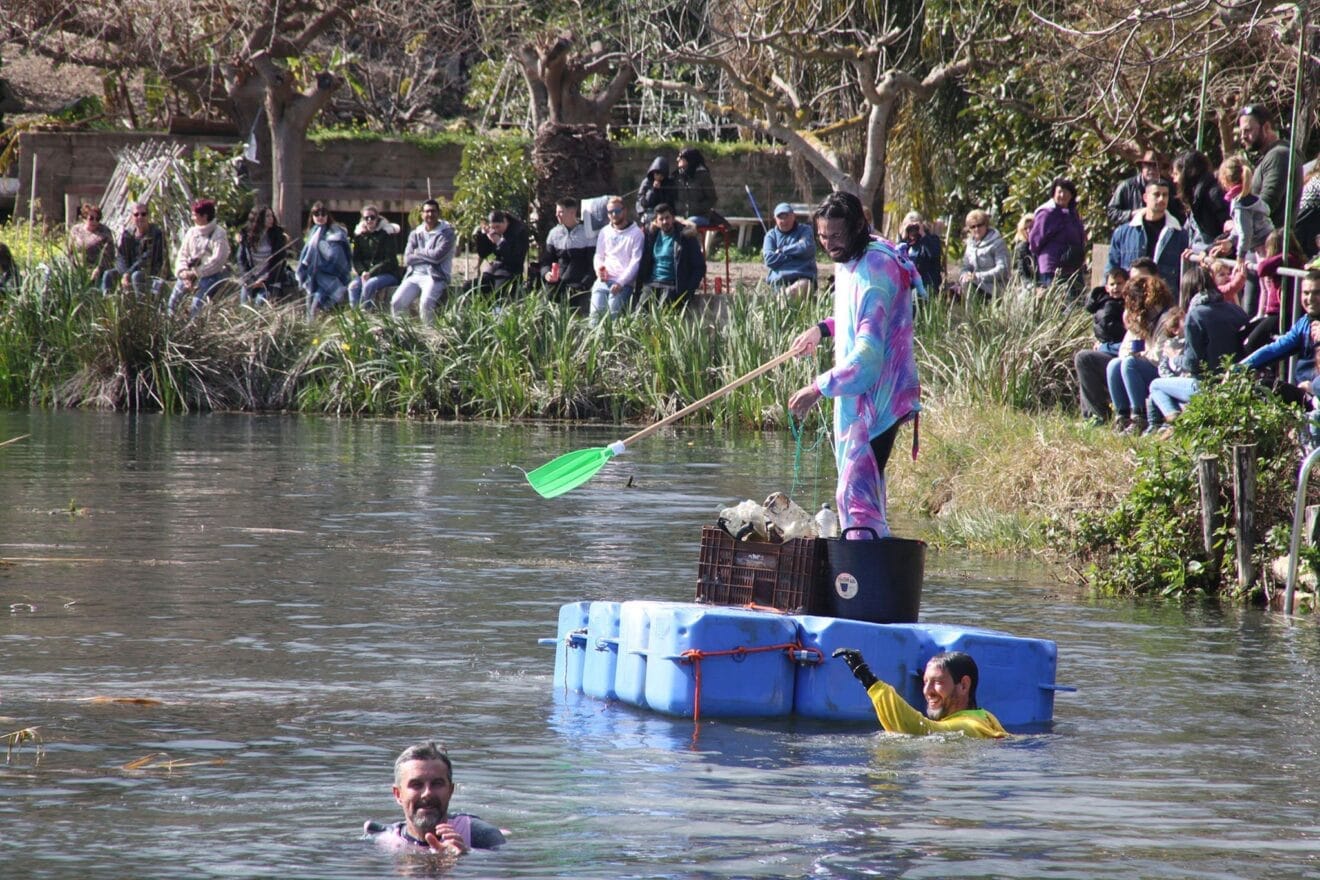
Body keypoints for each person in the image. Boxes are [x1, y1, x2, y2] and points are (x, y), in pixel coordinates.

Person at [787, 191, 921, 538]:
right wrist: (822, 329)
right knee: (856, 497)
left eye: (836, 236)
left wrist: (817, 388)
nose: (829, 244)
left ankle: (864, 583)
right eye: (822, 236)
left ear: (859, 226)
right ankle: (868, 579)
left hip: (876, 400)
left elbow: (868, 357)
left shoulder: (876, 270)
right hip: (858, 398)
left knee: (855, 498)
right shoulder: (853, 259)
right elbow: (854, 317)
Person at [1147, 266, 1247, 433]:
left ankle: (1177, 424)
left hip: (1207, 385)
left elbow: (1192, 364)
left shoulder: (1195, 316)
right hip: (1236, 382)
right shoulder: (1235, 310)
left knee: (1156, 386)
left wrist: (1174, 358)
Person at [364, 741, 506, 854]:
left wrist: (467, 855)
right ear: (398, 794)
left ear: (450, 791)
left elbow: (507, 863)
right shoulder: (382, 841)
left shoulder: (480, 835)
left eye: (437, 784)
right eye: (416, 784)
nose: (427, 793)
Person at [832, 648, 1007, 738]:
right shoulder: (986, 717)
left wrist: (867, 678)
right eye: (925, 682)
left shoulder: (969, 727)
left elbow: (917, 729)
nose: (927, 692)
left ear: (963, 685)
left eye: (937, 682)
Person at [1074, 258, 1159, 424]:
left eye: (1142, 279)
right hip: (1121, 356)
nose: (1137, 284)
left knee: (1126, 363)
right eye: (1134, 279)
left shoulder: (1159, 305)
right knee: (1084, 358)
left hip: (1148, 364)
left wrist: (1107, 346)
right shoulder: (1128, 304)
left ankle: (1139, 416)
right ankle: (1097, 417)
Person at [1106, 273, 1175, 434]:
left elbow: (1159, 357)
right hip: (1147, 364)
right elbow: (1126, 350)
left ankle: (1140, 417)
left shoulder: (1166, 318)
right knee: (1114, 364)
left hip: (1163, 372)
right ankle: (1122, 416)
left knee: (1130, 363)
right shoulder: (1144, 318)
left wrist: (1139, 356)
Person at [1105, 177, 1188, 291]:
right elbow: (1112, 268)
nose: (1161, 199)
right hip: (1131, 298)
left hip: (1165, 300)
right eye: (1156, 194)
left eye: (1165, 195)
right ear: (1145, 197)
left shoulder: (1179, 235)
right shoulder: (1123, 233)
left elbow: (1185, 274)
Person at [1237, 103, 1303, 230]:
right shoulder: (1271, 155)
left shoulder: (1279, 156)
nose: (1242, 136)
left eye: (1248, 130)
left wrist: (1238, 218)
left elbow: (1265, 205)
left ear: (1266, 127)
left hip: (1271, 243)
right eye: (1241, 132)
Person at [391, 199, 456, 323]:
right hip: (414, 275)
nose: (430, 215)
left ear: (439, 213)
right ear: (422, 214)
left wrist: (418, 253)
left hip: (435, 276)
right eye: (427, 211)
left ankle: (429, 335)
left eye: (433, 211)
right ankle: (400, 333)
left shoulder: (447, 233)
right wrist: (427, 255)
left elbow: (437, 257)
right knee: (396, 302)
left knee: (426, 304)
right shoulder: (415, 233)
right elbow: (408, 258)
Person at [167, 198, 231, 317]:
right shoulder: (191, 232)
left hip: (210, 275)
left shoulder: (219, 233)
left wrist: (196, 273)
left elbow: (217, 261)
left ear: (204, 216)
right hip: (189, 273)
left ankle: (192, 329)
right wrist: (183, 272)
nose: (192, 218)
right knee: (173, 301)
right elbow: (183, 254)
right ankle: (169, 325)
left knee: (197, 303)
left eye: (194, 215)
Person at [589, 196, 644, 324]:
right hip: (603, 281)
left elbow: (635, 262)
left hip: (622, 284)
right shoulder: (604, 231)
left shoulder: (636, 233)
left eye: (617, 211)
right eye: (610, 212)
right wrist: (599, 270)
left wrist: (620, 282)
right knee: (594, 321)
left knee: (612, 322)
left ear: (624, 211)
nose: (614, 214)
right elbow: (598, 255)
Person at [637, 203, 706, 306]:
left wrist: (688, 292)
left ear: (673, 218)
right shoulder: (651, 237)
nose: (665, 222)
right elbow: (643, 263)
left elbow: (699, 267)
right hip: (652, 283)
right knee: (639, 316)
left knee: (664, 317)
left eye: (667, 218)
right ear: (656, 221)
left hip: (672, 286)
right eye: (661, 219)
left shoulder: (686, 238)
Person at [1028, 177, 1086, 298]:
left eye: (1066, 192)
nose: (1062, 195)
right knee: (1057, 302)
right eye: (1059, 191)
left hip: (1073, 265)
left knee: (1076, 302)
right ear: (1053, 193)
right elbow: (1035, 240)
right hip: (1053, 266)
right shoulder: (1046, 213)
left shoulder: (1073, 214)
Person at [540, 197, 597, 312]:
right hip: (556, 283)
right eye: (556, 212)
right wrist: (547, 274)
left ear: (572, 212)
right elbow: (546, 260)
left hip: (580, 285)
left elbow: (593, 264)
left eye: (560, 212)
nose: (557, 215)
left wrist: (584, 284)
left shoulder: (587, 233)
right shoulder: (554, 233)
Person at [297, 201, 352, 318]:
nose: (320, 217)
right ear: (312, 216)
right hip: (314, 277)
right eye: (316, 214)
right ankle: (312, 332)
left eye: (323, 214)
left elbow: (338, 259)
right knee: (311, 301)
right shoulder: (313, 233)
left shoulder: (336, 233)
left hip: (332, 277)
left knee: (317, 302)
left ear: (328, 215)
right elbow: (306, 258)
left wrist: (321, 269)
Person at [1105, 149, 1184, 229]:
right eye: (1148, 166)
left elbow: (1179, 214)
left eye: (1155, 167)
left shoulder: (1168, 187)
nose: (1152, 170)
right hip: (1133, 233)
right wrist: (1132, 214)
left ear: (1160, 169)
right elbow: (1111, 212)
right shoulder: (1127, 186)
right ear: (1142, 167)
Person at [104, 201, 168, 296]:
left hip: (150, 272)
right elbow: (121, 257)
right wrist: (124, 273)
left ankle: (141, 308)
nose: (140, 217)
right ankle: (107, 304)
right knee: (108, 274)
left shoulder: (156, 234)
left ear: (148, 216)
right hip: (129, 271)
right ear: (132, 217)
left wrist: (128, 274)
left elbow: (146, 258)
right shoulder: (128, 234)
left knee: (136, 275)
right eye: (136, 214)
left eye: (143, 214)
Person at [1174, 150, 1228, 256]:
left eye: (1176, 174)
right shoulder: (1197, 197)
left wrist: (1207, 251)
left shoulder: (1213, 194)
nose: (1175, 180)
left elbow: (1227, 229)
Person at [236, 206, 291, 307]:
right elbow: (241, 260)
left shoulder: (277, 235)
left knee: (260, 302)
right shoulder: (246, 236)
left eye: (271, 216)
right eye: (267, 216)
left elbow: (280, 261)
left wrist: (264, 279)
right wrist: (250, 280)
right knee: (245, 305)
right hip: (252, 280)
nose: (271, 219)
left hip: (271, 280)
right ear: (258, 219)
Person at [347, 205, 400, 309]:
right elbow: (356, 259)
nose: (370, 220)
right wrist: (362, 272)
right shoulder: (360, 236)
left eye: (372, 217)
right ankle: (356, 316)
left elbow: (389, 260)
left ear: (377, 218)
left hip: (387, 274)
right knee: (353, 286)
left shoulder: (386, 234)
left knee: (370, 284)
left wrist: (371, 273)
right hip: (365, 274)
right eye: (366, 218)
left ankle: (365, 314)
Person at [762, 202, 817, 295]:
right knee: (781, 296)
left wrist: (782, 251)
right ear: (775, 219)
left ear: (793, 216)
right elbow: (769, 260)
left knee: (789, 294)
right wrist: (796, 255)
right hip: (778, 282)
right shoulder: (771, 236)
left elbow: (807, 248)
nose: (784, 220)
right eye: (780, 217)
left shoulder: (805, 230)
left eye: (786, 216)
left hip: (803, 279)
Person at [474, 210, 529, 296]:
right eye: (493, 227)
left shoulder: (518, 232)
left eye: (498, 227)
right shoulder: (494, 232)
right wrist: (483, 236)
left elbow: (514, 258)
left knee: (497, 291)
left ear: (505, 222)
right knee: (471, 286)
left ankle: (497, 309)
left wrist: (500, 242)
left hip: (510, 271)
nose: (496, 230)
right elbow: (486, 255)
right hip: (493, 269)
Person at [957, 209, 1010, 299]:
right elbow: (965, 267)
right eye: (973, 226)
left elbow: (1003, 269)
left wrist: (977, 276)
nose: (976, 229)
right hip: (975, 285)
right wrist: (965, 275)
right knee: (965, 284)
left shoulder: (997, 243)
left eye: (980, 225)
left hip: (995, 288)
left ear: (986, 225)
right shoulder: (970, 246)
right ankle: (971, 313)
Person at [68, 203, 115, 290]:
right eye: (91, 218)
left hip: (96, 271)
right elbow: (70, 251)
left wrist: (99, 268)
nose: (94, 221)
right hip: (77, 270)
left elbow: (109, 255)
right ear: (84, 218)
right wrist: (72, 267)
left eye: (97, 219)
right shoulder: (76, 230)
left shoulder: (104, 232)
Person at [1085, 267, 1129, 356]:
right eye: (1112, 284)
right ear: (1107, 288)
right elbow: (1108, 325)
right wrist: (1127, 333)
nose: (1116, 287)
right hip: (1111, 343)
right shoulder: (1108, 304)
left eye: (1119, 283)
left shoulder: (1123, 301)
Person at [896, 211, 942, 294]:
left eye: (915, 226)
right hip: (906, 286)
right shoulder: (903, 244)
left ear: (922, 226)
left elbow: (934, 254)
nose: (913, 230)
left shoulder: (932, 239)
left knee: (914, 296)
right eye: (909, 227)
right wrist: (903, 239)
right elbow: (895, 260)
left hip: (926, 286)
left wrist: (923, 235)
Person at [671, 147, 719, 227]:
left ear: (690, 159)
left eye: (681, 157)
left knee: (687, 223)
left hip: (700, 216)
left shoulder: (703, 176)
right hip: (681, 216)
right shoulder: (677, 176)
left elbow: (712, 199)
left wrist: (697, 208)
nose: (677, 159)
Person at [635, 156, 675, 227]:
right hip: (649, 212)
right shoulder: (646, 182)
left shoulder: (669, 183)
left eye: (661, 174)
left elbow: (669, 201)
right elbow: (644, 201)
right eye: (656, 173)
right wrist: (654, 190)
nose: (659, 176)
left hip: (664, 212)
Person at [1011, 213, 1035, 288]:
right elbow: (1022, 272)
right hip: (1030, 285)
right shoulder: (1022, 248)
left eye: (1031, 227)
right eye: (1025, 228)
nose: (1028, 231)